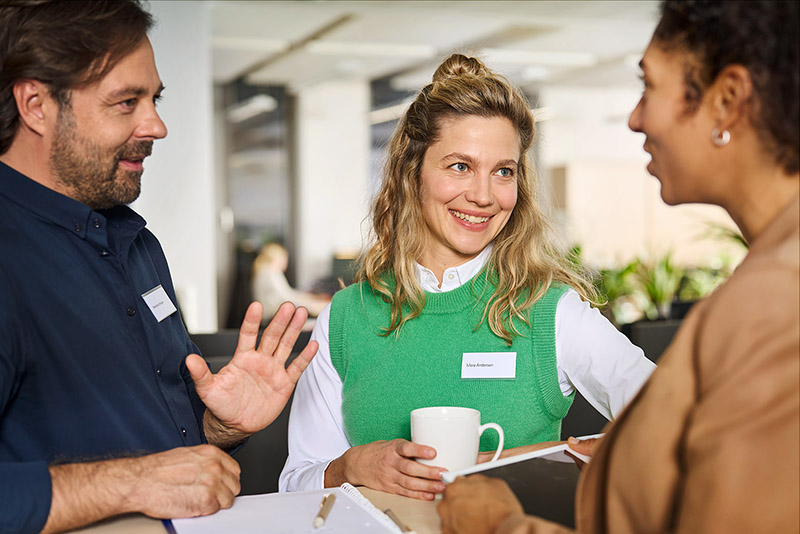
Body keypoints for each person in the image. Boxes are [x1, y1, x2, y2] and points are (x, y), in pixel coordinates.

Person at [437, 1, 799, 532]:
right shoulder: (767, 279)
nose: (635, 117)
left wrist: (501, 526)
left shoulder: (774, 301)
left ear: (726, 102)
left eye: (649, 86)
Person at [0, 2, 317, 533]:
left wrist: (218, 426)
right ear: (36, 104)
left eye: (154, 99)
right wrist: (130, 483)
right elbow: (147, 473)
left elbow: (166, 451)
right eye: (126, 103)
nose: (157, 125)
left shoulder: (135, 243)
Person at [280, 53, 655, 500]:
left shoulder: (551, 313)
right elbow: (295, 484)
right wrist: (350, 465)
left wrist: (525, 461)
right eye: (460, 166)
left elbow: (676, 421)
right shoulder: (344, 318)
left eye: (503, 171)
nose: (482, 195)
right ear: (410, 173)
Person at [252, 242, 331, 319]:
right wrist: (313, 304)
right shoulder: (272, 273)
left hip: (273, 313)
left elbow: (288, 294)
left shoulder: (264, 271)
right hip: (272, 316)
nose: (286, 262)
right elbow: (288, 298)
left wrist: (312, 298)